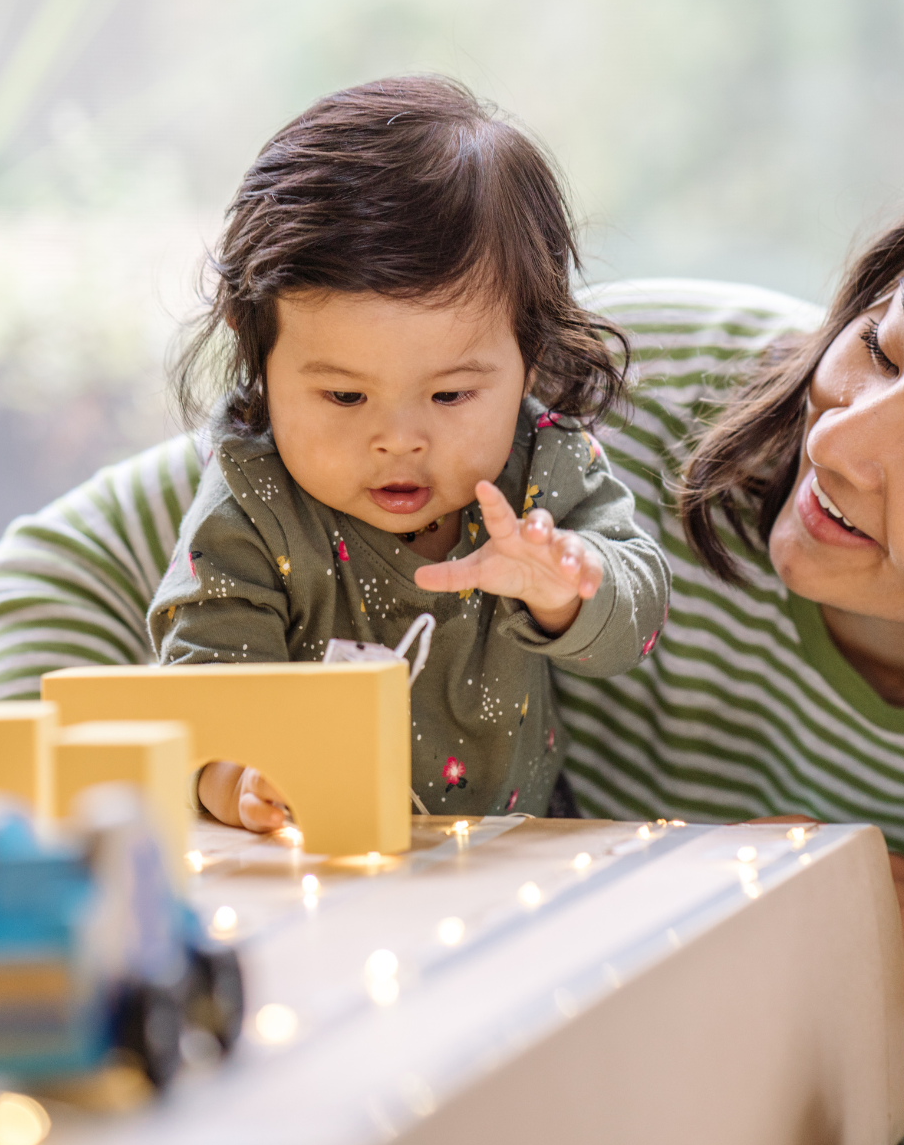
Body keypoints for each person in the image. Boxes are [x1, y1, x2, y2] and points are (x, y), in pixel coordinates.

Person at [0, 165, 904, 1094]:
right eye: (886, 342)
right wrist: (195, 863)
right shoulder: (604, 416)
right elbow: (56, 575)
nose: (843, 442)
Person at [149, 77, 669, 830]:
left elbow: (637, 623)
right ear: (256, 352)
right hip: (321, 857)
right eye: (345, 398)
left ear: (530, 352)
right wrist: (236, 777)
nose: (399, 440)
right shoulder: (253, 504)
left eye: (452, 396)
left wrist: (563, 588)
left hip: (519, 853)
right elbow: (203, 682)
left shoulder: (544, 469)